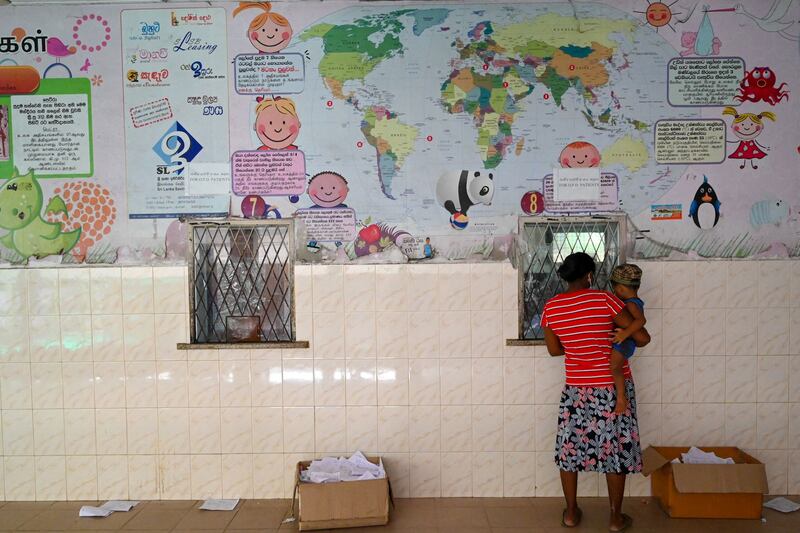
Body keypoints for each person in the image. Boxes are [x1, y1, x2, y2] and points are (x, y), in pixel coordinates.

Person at [540, 252, 650, 532]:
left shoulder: (551, 307)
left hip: (577, 389)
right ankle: (614, 518)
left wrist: (579, 347)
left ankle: (571, 513)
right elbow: (640, 336)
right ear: (589, 275)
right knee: (615, 450)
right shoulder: (604, 299)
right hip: (613, 389)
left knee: (571, 449)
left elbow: (554, 350)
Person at [609, 264, 646, 415]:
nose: (615, 294)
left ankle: (621, 396)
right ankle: (621, 395)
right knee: (615, 367)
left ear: (621, 289)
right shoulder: (632, 302)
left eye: (615, 290)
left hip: (625, 342)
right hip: (624, 341)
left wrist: (625, 334)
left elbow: (641, 321)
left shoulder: (631, 304)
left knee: (614, 367)